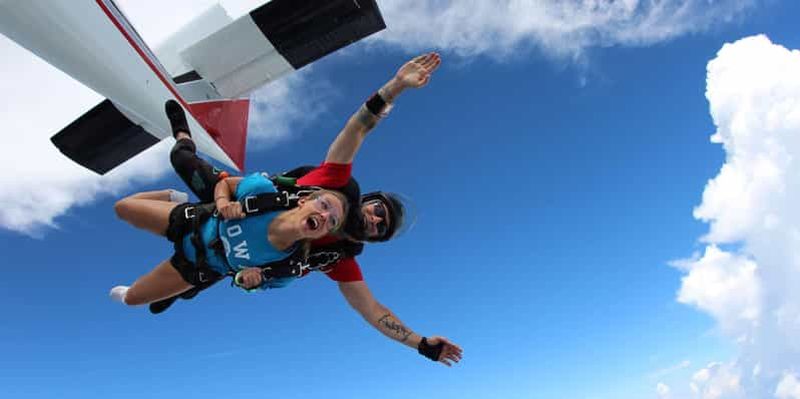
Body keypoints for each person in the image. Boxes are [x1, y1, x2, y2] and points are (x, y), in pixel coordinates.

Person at [163, 52, 462, 366]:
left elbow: (372, 310)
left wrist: (422, 345)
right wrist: (395, 86)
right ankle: (183, 134)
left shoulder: (339, 257)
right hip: (240, 205)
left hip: (239, 254)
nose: (374, 219)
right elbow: (357, 130)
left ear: (373, 239)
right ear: (365, 200)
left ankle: (179, 287)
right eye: (377, 209)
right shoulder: (334, 182)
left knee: (193, 281)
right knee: (181, 159)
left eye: (380, 226)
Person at [109, 159, 349, 306]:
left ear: (324, 233)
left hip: (196, 267)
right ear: (304, 200)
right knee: (122, 207)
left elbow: (244, 283)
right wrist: (224, 203)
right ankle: (171, 196)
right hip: (192, 222)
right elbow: (225, 183)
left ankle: (148, 293)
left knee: (131, 299)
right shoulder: (263, 193)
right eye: (324, 205)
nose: (324, 215)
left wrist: (246, 280)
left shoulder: (287, 268)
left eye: (332, 221)